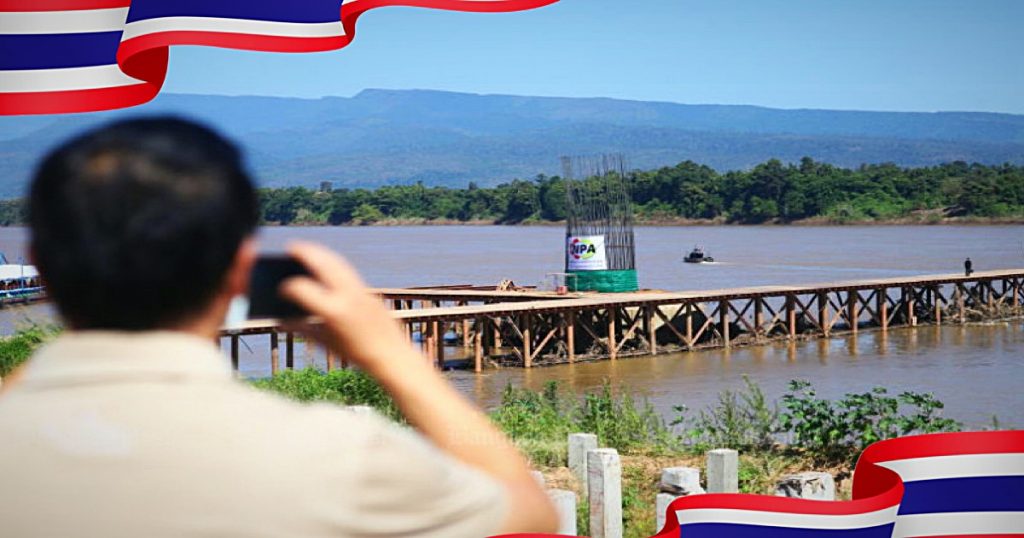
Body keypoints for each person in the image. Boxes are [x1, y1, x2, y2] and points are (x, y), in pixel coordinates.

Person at [0, 118, 557, 537]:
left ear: (40, 266)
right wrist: (393, 357)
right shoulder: (341, 456)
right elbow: (530, 519)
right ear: (240, 271)